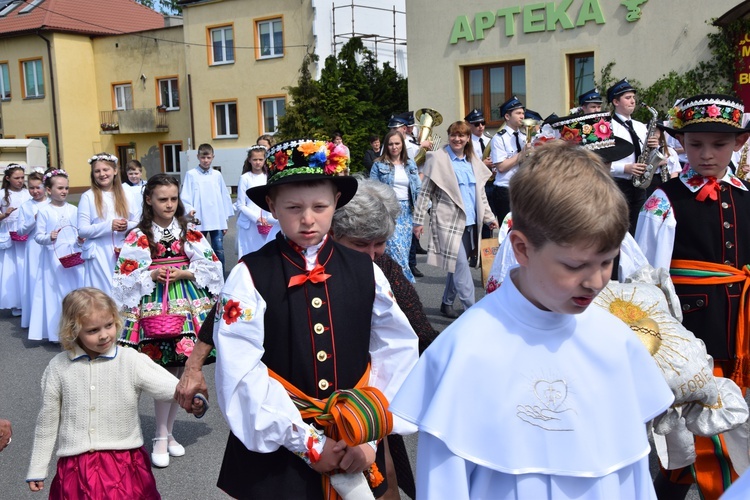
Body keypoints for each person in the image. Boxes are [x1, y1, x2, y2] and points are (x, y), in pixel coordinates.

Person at [391, 140, 674, 499]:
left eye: (607, 261)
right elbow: (445, 480)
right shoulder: (468, 347)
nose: (595, 280)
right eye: (575, 265)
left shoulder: (614, 340)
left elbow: (632, 471)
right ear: (522, 248)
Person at [209, 138, 418, 498]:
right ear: (272, 206)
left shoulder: (366, 271)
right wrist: (307, 443)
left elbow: (397, 348)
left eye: (320, 206)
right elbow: (240, 368)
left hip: (357, 440)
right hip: (280, 454)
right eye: (293, 207)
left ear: (337, 202)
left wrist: (367, 434)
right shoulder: (249, 275)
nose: (307, 218)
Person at [635, 94, 750, 500]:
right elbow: (646, 280)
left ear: (739, 143)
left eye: (719, 145)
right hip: (693, 335)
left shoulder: (746, 194)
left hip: (742, 331)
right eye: (696, 143)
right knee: (704, 431)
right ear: (680, 142)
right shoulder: (664, 200)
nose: (706, 154)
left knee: (731, 429)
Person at [26, 288, 206, 498]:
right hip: (76, 468)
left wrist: (191, 397)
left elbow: (166, 385)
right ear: (73, 330)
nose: (104, 335)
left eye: (109, 325)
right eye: (93, 330)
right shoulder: (58, 367)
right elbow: (46, 421)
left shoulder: (129, 359)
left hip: (123, 463)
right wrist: (38, 468)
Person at [331, 177, 438, 499]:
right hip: (314, 397)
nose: (373, 253)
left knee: (384, 474)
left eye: (379, 243)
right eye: (361, 244)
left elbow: (420, 328)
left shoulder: (385, 266)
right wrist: (196, 364)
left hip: (373, 391)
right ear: (332, 235)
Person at [113, 174, 223, 468]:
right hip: (153, 308)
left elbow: (213, 265)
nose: (170, 205)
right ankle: (161, 436)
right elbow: (123, 276)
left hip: (184, 306)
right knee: (160, 370)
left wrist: (185, 273)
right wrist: (150, 273)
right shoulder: (140, 235)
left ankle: (166, 433)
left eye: (174, 199)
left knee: (179, 371)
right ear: (149, 200)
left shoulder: (187, 230)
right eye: (163, 199)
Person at [413, 121, 498, 319]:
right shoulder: (437, 159)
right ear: (448, 136)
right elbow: (424, 192)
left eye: (461, 135)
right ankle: (473, 312)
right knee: (461, 267)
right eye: (453, 135)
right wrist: (417, 222)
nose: (457, 139)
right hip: (447, 222)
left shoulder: (472, 161)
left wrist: (489, 217)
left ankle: (447, 302)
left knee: (456, 265)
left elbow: (480, 195)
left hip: (471, 223)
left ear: (468, 138)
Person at [30, 169, 84, 342]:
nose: (64, 191)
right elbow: (38, 236)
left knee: (76, 292)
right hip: (53, 258)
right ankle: (58, 333)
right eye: (60, 188)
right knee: (57, 293)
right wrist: (49, 237)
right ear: (48, 190)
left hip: (73, 255)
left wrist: (81, 240)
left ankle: (79, 329)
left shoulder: (73, 209)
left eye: (66, 188)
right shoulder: (45, 211)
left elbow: (78, 231)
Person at [77, 152, 138, 294]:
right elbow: (82, 230)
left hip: (123, 250)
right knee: (103, 293)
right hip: (99, 253)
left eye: (106, 170)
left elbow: (137, 221)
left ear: (115, 171)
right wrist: (108, 226)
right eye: (97, 171)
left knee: (124, 290)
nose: (102, 174)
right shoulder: (88, 196)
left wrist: (126, 225)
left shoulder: (127, 194)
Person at [370, 129, 422, 282]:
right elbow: (372, 190)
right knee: (396, 251)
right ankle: (406, 284)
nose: (394, 147)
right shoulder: (378, 165)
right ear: (386, 146)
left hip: (406, 213)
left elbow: (418, 190)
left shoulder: (410, 164)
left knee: (403, 253)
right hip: (388, 212)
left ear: (402, 145)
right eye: (391, 144)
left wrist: (419, 219)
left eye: (397, 143)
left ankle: (396, 289)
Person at [607, 79, 658, 234]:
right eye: (627, 98)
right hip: (618, 184)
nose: (633, 101)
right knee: (618, 229)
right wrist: (625, 168)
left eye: (633, 97)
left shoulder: (640, 126)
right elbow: (599, 161)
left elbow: (647, 154)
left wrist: (654, 147)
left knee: (638, 229)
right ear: (615, 101)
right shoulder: (608, 127)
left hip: (639, 186)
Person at [180, 143, 234, 271]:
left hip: (216, 220)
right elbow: (185, 195)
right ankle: (200, 276)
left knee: (219, 249)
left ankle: (221, 276)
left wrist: (224, 222)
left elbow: (223, 197)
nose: (206, 161)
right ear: (198, 157)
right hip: (199, 219)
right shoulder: (191, 174)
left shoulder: (216, 175)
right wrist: (189, 209)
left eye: (208, 158)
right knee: (199, 249)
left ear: (213, 157)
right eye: (203, 158)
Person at [235, 145, 280, 257]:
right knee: (249, 253)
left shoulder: (268, 177)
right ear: (249, 160)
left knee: (266, 252)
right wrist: (256, 217)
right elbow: (241, 204)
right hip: (249, 224)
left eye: (260, 159)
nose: (258, 162)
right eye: (255, 159)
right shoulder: (245, 178)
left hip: (267, 221)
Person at [489, 96, 527, 222]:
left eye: (522, 113)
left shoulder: (523, 137)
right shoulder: (499, 138)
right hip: (505, 191)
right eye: (518, 113)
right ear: (507, 116)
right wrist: (522, 154)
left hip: (522, 188)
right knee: (507, 230)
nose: (522, 116)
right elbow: (501, 167)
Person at [17, 171, 47, 329]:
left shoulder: (51, 203)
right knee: (34, 280)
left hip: (49, 246)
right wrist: (33, 220)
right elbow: (20, 230)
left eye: (38, 187)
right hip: (33, 247)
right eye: (31, 188)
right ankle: (34, 318)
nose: (35, 191)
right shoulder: (26, 206)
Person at [0, 163, 31, 316]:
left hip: (25, 233)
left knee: (25, 266)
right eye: (16, 178)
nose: (20, 181)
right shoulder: (2, 194)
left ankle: (27, 299)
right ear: (8, 178)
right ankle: (15, 302)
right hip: (9, 234)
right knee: (12, 269)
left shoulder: (28, 193)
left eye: (22, 177)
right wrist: (5, 215)